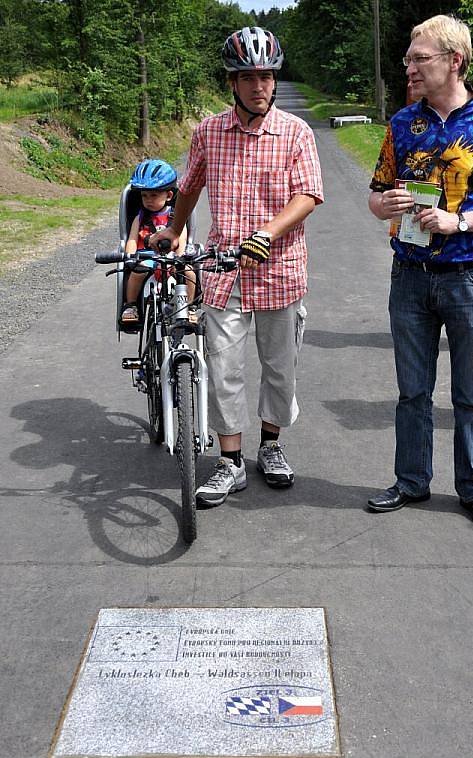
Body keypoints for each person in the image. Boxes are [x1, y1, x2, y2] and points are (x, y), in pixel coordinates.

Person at [367, 15, 473, 530]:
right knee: (412, 390)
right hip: (411, 274)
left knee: (470, 393)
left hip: (472, 276)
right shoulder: (402, 123)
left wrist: (457, 220)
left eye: (420, 58)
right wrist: (388, 202)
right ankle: (412, 482)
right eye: (408, 59)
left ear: (454, 61)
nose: (410, 68)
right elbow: (375, 199)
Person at [150, 27, 323, 507]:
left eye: (266, 76)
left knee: (279, 369)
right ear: (232, 82)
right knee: (223, 368)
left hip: (280, 270)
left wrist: (268, 232)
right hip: (224, 271)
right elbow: (189, 185)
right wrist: (177, 229)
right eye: (248, 77)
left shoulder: (295, 132)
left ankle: (271, 446)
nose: (260, 86)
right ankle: (229, 461)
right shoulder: (207, 131)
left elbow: (308, 194)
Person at [121, 159, 189, 323]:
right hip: (146, 257)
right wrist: (130, 256)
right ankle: (130, 305)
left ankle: (190, 307)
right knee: (138, 271)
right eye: (144, 196)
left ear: (169, 196)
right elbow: (131, 239)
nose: (148, 200)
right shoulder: (140, 217)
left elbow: (182, 237)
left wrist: (179, 258)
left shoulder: (176, 217)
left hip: (171, 257)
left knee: (188, 272)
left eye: (154, 195)